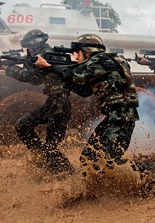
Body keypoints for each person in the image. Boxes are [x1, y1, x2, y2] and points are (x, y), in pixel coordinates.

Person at [34, 34, 144, 178]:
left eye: (77, 52)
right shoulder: (108, 60)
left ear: (86, 51)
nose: (75, 56)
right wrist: (62, 80)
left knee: (105, 159)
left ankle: (149, 176)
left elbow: (73, 75)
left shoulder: (99, 60)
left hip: (121, 116)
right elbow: (85, 91)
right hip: (117, 116)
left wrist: (48, 67)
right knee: (88, 158)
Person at [3, 29, 73, 174]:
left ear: (34, 43)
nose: (27, 48)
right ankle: (44, 160)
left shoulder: (44, 54)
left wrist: (7, 69)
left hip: (59, 102)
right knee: (24, 126)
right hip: (56, 101)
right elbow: (37, 79)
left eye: (28, 45)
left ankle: (67, 173)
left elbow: (29, 76)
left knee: (50, 147)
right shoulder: (47, 53)